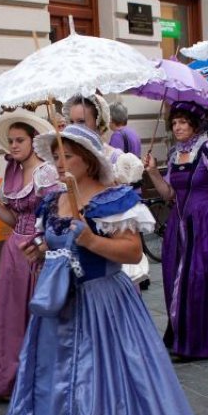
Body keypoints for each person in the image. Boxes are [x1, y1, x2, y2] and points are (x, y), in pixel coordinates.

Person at [0, 124, 208, 415]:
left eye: (69, 155)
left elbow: (131, 253)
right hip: (60, 309)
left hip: (103, 306)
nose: (61, 162)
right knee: (53, 388)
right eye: (58, 156)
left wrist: (91, 240)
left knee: (99, 387)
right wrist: (39, 252)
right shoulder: (54, 201)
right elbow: (53, 247)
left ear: (90, 159)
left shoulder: (113, 199)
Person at [0, 110, 58, 397]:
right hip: (13, 250)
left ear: (33, 140)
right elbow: (12, 219)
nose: (13, 146)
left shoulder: (46, 172)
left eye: (19, 140)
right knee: (11, 316)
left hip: (37, 250)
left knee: (36, 312)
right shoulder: (12, 171)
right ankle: (11, 377)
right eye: (10, 141)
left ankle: (37, 376)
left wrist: (46, 244)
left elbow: (55, 214)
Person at [145, 101, 208, 360]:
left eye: (183, 122)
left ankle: (204, 342)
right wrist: (152, 172)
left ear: (194, 125)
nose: (178, 127)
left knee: (200, 280)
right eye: (174, 123)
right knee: (177, 277)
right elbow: (170, 194)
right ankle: (183, 337)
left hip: (207, 222)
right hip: (180, 224)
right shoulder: (174, 154)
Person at [63, 94, 150, 288]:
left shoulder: (115, 158)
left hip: (108, 248)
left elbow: (119, 209)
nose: (75, 127)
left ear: (98, 122)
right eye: (71, 121)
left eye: (81, 121)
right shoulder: (65, 159)